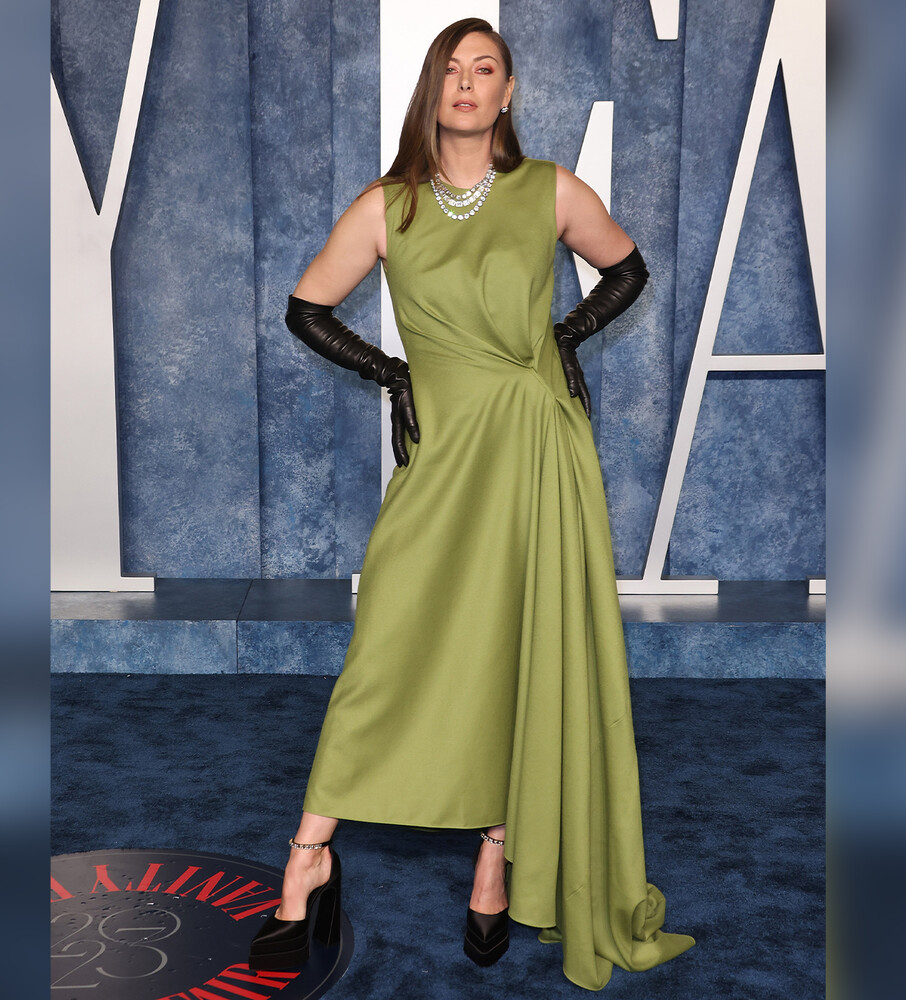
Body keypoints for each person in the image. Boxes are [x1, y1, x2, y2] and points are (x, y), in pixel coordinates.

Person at [247, 18, 696, 991]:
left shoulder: (549, 191)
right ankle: (309, 855)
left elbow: (626, 268)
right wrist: (390, 374)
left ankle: (497, 855)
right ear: (432, 87)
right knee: (388, 646)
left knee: (510, 647)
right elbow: (305, 307)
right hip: (444, 450)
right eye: (451, 68)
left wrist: (565, 335)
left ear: (507, 91)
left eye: (484, 68)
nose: (465, 82)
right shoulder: (388, 206)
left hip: (535, 449)